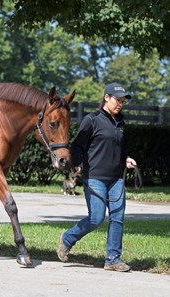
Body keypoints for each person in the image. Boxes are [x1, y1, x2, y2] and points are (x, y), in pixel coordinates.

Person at [57, 82, 137, 272]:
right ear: (106, 98)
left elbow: (119, 147)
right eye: (118, 100)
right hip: (95, 177)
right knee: (97, 218)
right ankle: (67, 238)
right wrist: (76, 163)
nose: (120, 104)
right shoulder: (91, 120)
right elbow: (77, 146)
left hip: (116, 178)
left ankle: (113, 259)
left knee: (117, 218)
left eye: (123, 101)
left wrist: (126, 158)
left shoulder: (120, 122)